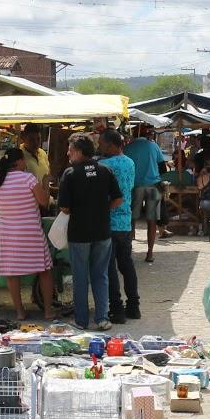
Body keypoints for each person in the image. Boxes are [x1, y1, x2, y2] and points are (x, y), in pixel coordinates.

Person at [58, 133, 123, 331]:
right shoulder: (105, 170)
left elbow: (64, 208)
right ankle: (102, 318)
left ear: (78, 151)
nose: (68, 153)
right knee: (100, 275)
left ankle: (81, 320)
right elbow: (118, 199)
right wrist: (102, 209)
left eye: (70, 149)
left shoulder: (70, 174)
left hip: (79, 233)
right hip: (102, 231)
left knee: (80, 277)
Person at [0, 147, 55, 322]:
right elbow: (44, 202)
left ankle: (20, 312)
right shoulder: (28, 179)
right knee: (44, 271)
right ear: (19, 161)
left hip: (8, 233)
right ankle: (48, 311)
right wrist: (46, 184)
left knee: (12, 274)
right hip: (30, 232)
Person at [98, 129, 140, 323]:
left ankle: (116, 308)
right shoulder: (130, 162)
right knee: (127, 265)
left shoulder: (104, 165)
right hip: (125, 221)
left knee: (109, 267)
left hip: (108, 221)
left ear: (109, 144)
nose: (99, 146)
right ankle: (134, 306)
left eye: (101, 143)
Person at [124, 125, 165, 264]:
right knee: (151, 220)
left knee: (131, 219)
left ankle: (128, 252)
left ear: (134, 134)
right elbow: (163, 168)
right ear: (146, 134)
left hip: (134, 186)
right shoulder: (153, 146)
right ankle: (150, 253)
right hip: (153, 186)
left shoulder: (128, 148)